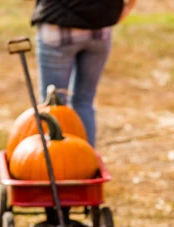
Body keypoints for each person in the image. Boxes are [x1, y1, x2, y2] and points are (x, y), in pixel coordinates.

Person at [31, 0, 137, 147]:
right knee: (84, 101)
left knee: (52, 104)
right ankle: (87, 159)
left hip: (58, 29)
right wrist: (125, 9)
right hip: (100, 30)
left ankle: (54, 165)